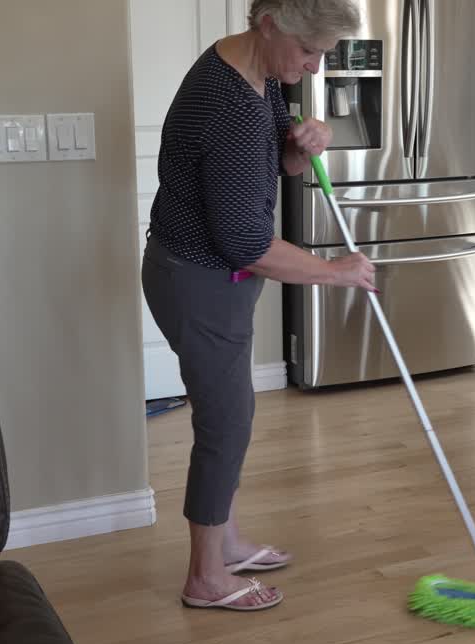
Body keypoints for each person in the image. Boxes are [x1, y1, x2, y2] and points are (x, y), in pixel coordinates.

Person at [143, 0, 374, 612]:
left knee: (230, 413)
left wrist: (304, 145)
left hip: (210, 275)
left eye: (323, 54)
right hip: (199, 280)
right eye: (309, 51)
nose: (314, 65)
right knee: (227, 422)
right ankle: (204, 578)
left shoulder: (257, 72)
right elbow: (245, 242)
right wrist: (334, 272)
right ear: (269, 21)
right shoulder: (231, 103)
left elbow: (279, 163)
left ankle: (228, 541)